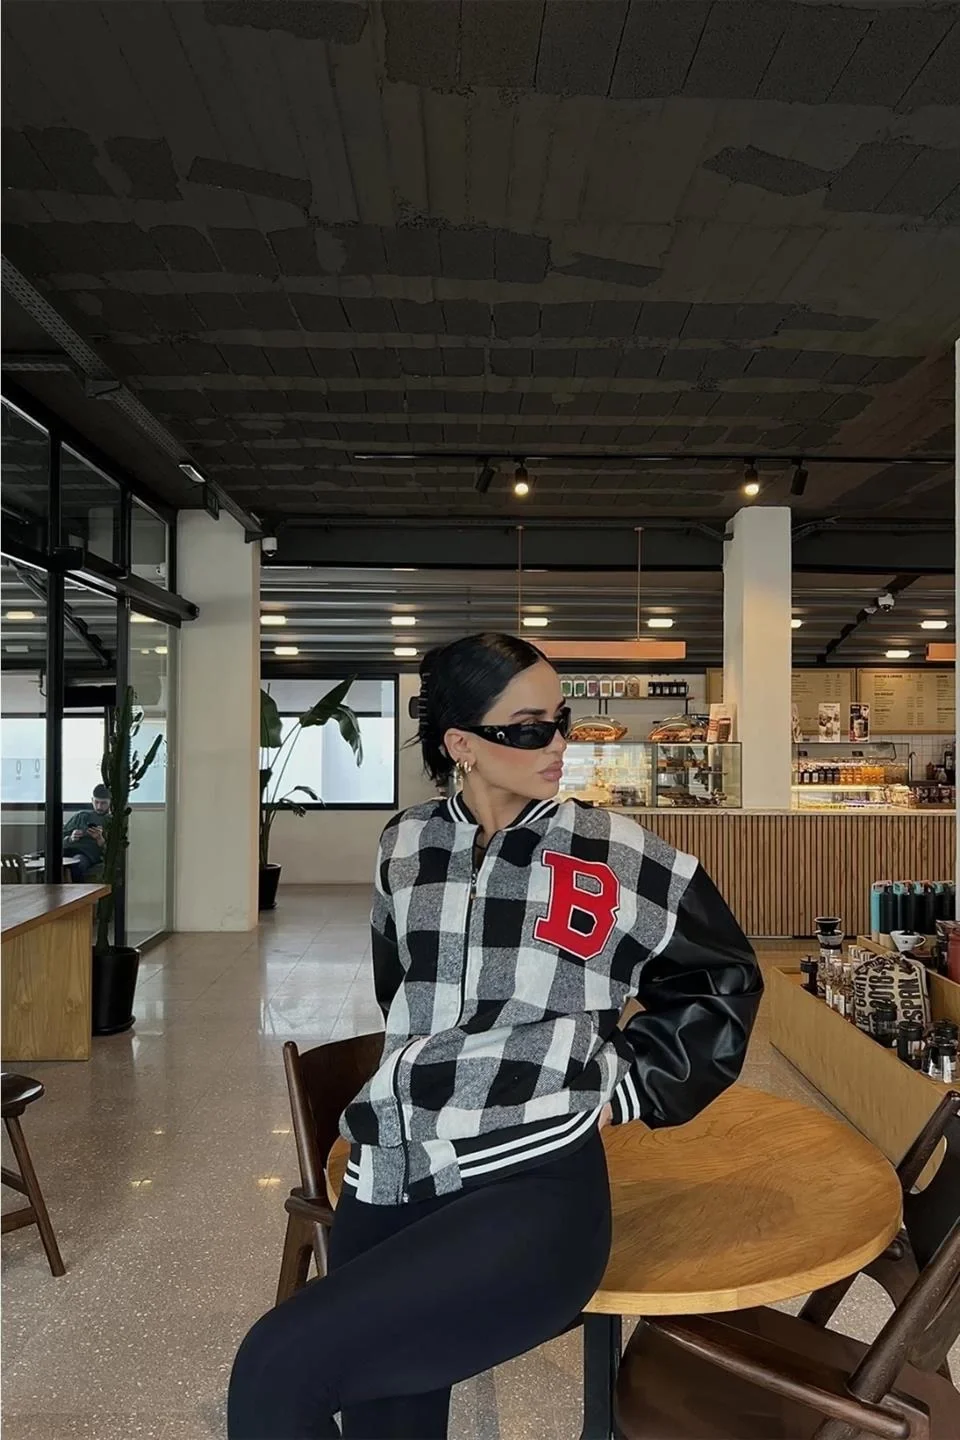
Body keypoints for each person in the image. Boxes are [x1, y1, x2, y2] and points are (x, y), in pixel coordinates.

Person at [228, 634, 762, 1440]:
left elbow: (722, 983)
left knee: (274, 1368)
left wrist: (622, 1088)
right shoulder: (404, 844)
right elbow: (401, 987)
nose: (558, 744)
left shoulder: (620, 854)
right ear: (461, 745)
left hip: (533, 1177)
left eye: (561, 721)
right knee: (388, 1422)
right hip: (390, 1170)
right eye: (529, 728)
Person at [62, 784, 110, 880]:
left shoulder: (111, 821)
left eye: (103, 803)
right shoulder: (81, 815)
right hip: (67, 850)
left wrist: (100, 839)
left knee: (77, 863)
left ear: (110, 802)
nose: (99, 807)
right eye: (96, 802)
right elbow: (57, 839)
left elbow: (113, 852)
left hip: (86, 854)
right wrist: (71, 838)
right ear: (92, 800)